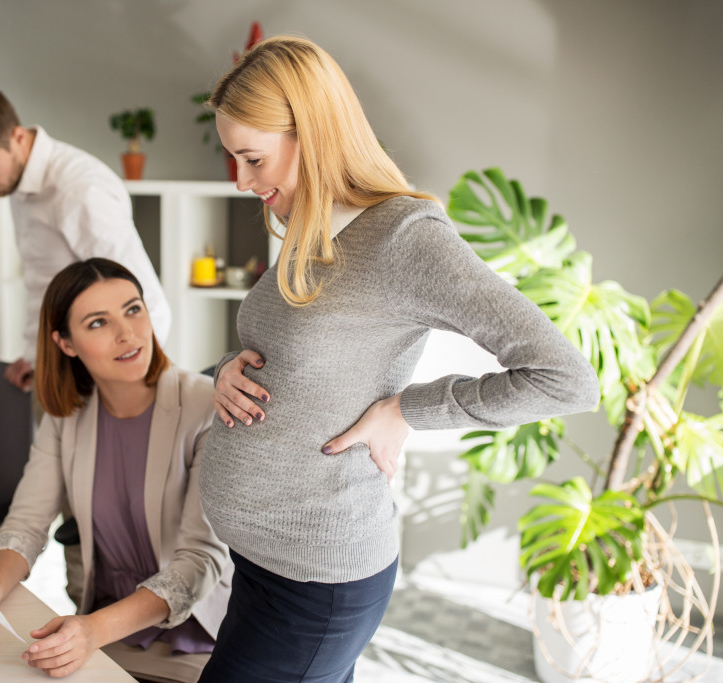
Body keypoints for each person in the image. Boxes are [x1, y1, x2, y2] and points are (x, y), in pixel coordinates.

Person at [198, 36, 602, 682]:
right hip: (264, 562)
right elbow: (298, 351)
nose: (244, 181)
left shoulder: (404, 238)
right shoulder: (311, 222)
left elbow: (566, 379)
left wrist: (406, 410)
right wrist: (226, 371)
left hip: (315, 583)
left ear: (312, 134)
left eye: (253, 158)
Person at [0, 258, 230, 682]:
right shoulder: (67, 416)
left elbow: (198, 562)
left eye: (133, 309)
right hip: (103, 632)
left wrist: (94, 630)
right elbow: (26, 523)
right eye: (98, 323)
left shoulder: (206, 407)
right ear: (66, 343)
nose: (127, 333)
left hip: (197, 640)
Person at [0, 78, 170, 393]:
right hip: (61, 372)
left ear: (17, 137)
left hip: (104, 381)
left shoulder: (79, 191)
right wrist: (33, 358)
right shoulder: (17, 183)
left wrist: (125, 390)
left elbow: (147, 301)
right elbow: (43, 283)